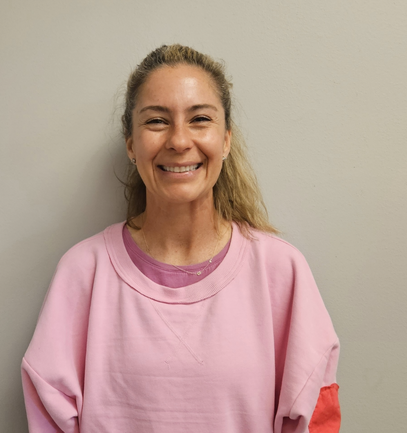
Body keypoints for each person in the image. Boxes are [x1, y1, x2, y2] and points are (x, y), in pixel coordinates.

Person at [21, 44, 341, 433]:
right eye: (157, 121)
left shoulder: (281, 272)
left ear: (225, 140)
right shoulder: (83, 273)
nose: (179, 140)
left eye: (199, 119)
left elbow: (315, 418)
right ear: (131, 144)